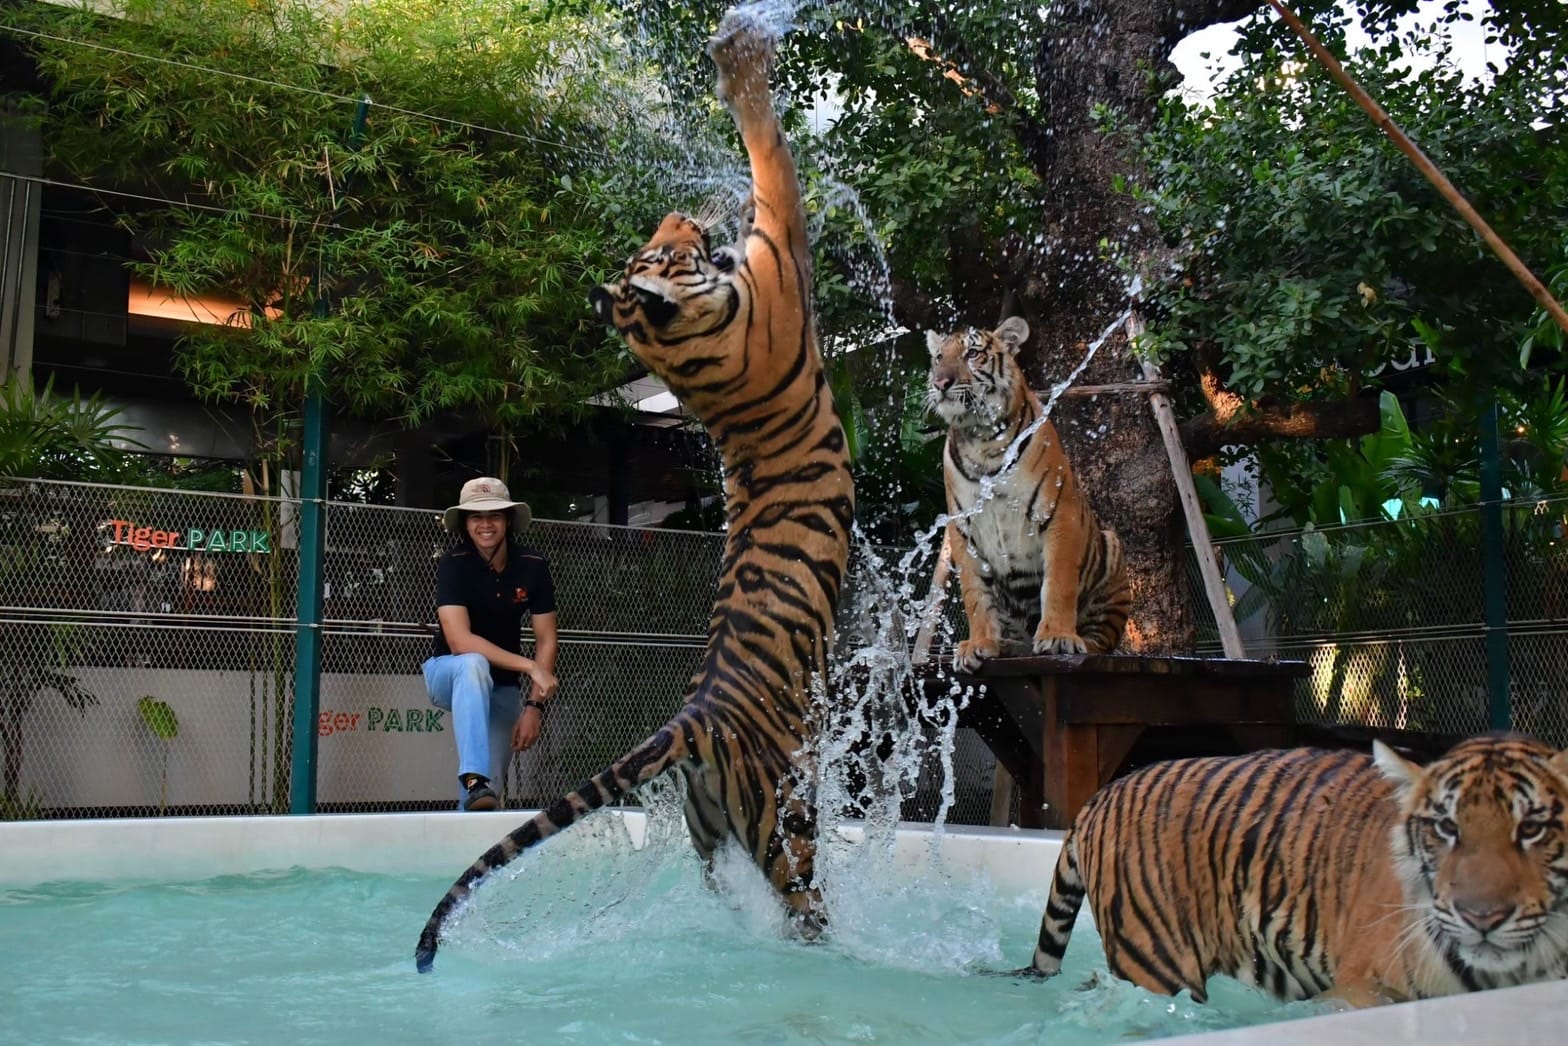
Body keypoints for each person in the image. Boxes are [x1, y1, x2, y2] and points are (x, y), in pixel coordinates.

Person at [422, 477, 559, 812]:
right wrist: (531, 667)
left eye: (494, 515)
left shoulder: (534, 565)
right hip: (448, 673)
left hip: (503, 688)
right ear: (465, 524)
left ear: (508, 521)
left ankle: (469, 853)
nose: (485, 524)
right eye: (475, 516)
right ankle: (472, 775)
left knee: (484, 798)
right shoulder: (453, 564)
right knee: (473, 663)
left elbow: (547, 638)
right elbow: (459, 641)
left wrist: (534, 708)